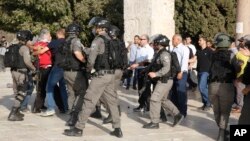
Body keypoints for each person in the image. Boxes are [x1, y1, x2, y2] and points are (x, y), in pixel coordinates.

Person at [63, 17, 123, 138]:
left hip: (100, 76)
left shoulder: (98, 40)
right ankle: (117, 129)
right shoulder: (110, 39)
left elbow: (91, 60)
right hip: (110, 74)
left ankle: (78, 128)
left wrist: (88, 69)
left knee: (89, 100)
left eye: (95, 27)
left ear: (101, 28)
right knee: (111, 102)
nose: (94, 29)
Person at [142, 34, 184, 129]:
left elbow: (166, 68)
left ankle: (154, 122)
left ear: (160, 43)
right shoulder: (159, 53)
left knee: (154, 99)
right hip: (164, 80)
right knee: (163, 100)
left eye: (156, 42)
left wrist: (156, 74)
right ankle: (177, 115)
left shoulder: (164, 54)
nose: (155, 44)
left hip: (164, 80)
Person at [209, 33, 235, 141]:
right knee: (225, 111)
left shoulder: (211, 54)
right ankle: (221, 134)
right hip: (226, 85)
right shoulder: (232, 55)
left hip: (212, 85)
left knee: (216, 110)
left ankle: (223, 131)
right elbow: (237, 69)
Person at [7, 30, 36, 121]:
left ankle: (17, 111)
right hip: (22, 73)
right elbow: (27, 61)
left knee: (17, 91)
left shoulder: (13, 46)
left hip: (13, 71)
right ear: (26, 39)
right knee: (22, 92)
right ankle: (13, 112)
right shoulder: (24, 48)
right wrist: (33, 69)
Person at [40, 28, 69, 116]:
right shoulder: (68, 42)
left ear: (58, 34)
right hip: (66, 68)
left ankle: (50, 108)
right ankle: (65, 108)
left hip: (57, 67)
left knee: (49, 87)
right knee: (63, 88)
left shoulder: (54, 42)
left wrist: (37, 48)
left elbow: (42, 51)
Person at [171, 34, 190, 117]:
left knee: (181, 92)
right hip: (174, 73)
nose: (172, 41)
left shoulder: (184, 48)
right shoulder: (174, 49)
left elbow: (184, 61)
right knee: (174, 92)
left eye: (173, 39)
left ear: (178, 40)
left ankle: (182, 112)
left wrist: (180, 72)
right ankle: (176, 111)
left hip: (181, 73)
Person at [196, 36, 213, 111]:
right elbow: (194, 59)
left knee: (201, 87)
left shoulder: (210, 51)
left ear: (205, 41)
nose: (198, 41)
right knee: (203, 88)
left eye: (200, 40)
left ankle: (208, 103)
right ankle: (205, 104)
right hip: (199, 71)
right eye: (198, 40)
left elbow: (213, 62)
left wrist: (212, 72)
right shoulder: (198, 51)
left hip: (206, 72)